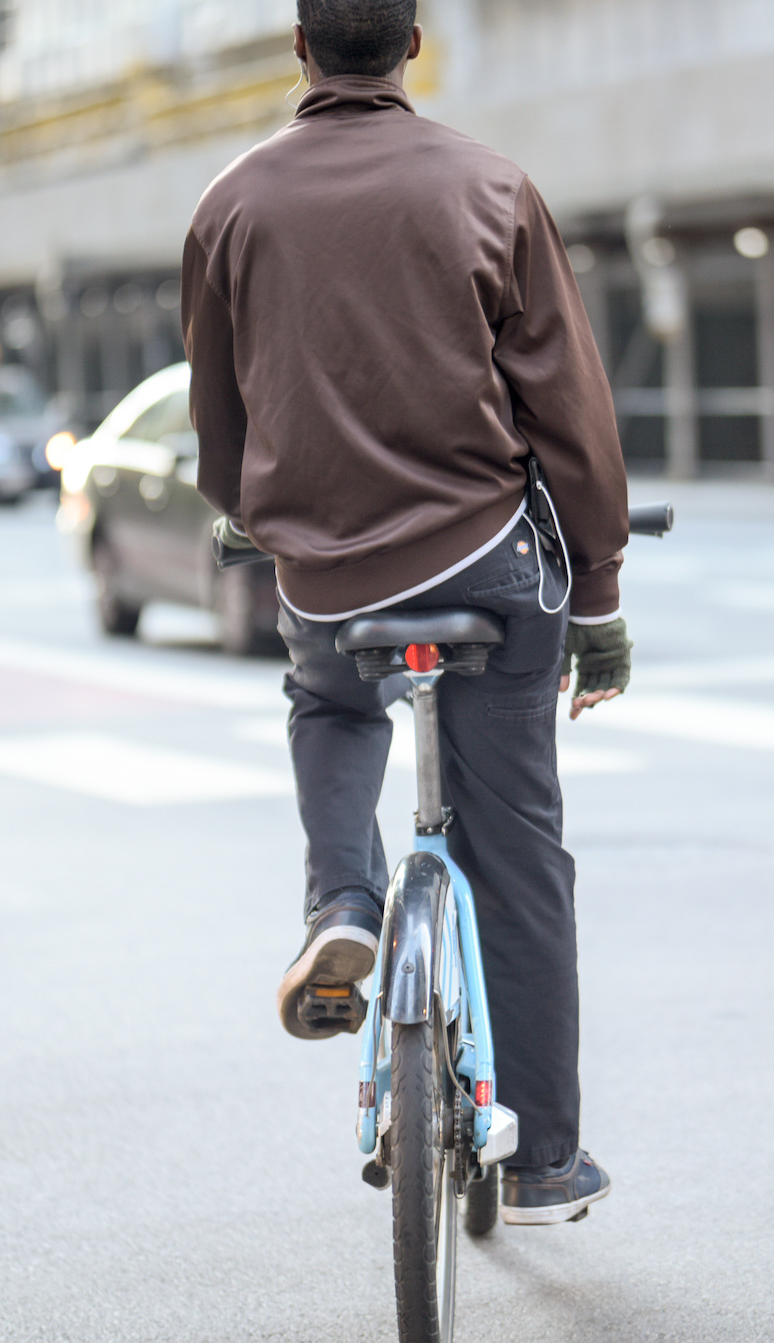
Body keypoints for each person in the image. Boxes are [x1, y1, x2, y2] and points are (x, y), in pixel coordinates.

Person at [180, 0, 631, 1226]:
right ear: (413, 46)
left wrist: (256, 512)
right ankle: (541, 1161)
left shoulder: (232, 205)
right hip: (489, 562)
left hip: (326, 578)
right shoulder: (491, 186)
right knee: (518, 838)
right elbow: (572, 419)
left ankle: (341, 902)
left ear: (301, 49)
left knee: (326, 698)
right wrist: (596, 594)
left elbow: (220, 429)